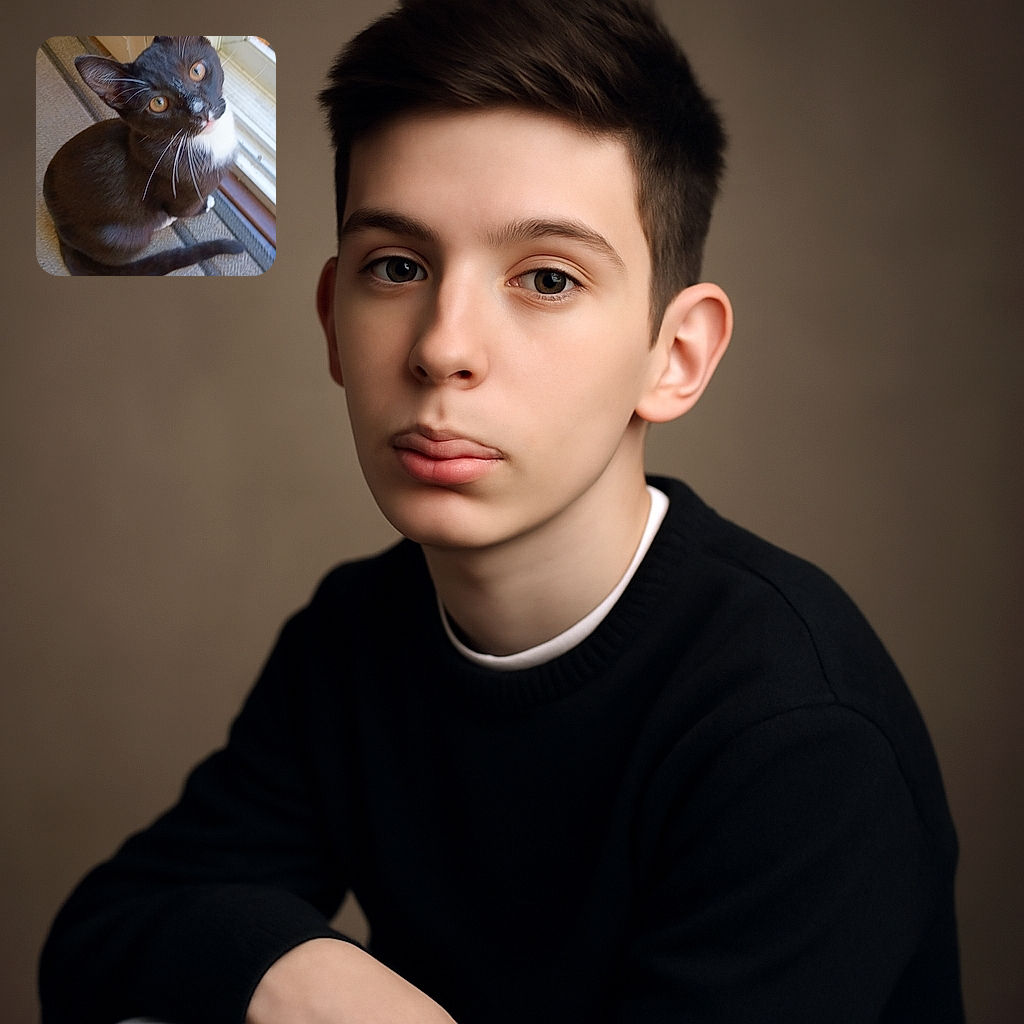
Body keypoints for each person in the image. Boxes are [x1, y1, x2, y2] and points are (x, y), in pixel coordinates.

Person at [38, 1, 964, 1021]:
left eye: (548, 278)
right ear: (333, 321)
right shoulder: (353, 638)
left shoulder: (799, 734)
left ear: (675, 356)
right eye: (397, 267)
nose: (442, 346)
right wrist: (298, 971)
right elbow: (103, 938)